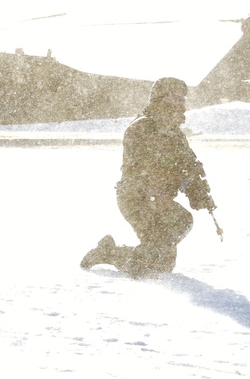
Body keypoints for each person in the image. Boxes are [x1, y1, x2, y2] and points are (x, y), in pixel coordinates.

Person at [81, 77, 216, 278]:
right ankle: (111, 253)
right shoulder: (142, 128)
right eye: (175, 98)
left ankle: (111, 252)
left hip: (157, 198)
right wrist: (159, 192)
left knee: (161, 263)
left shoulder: (174, 133)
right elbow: (146, 168)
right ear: (161, 99)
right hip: (137, 198)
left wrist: (198, 191)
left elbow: (188, 165)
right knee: (177, 225)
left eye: (182, 98)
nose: (181, 103)